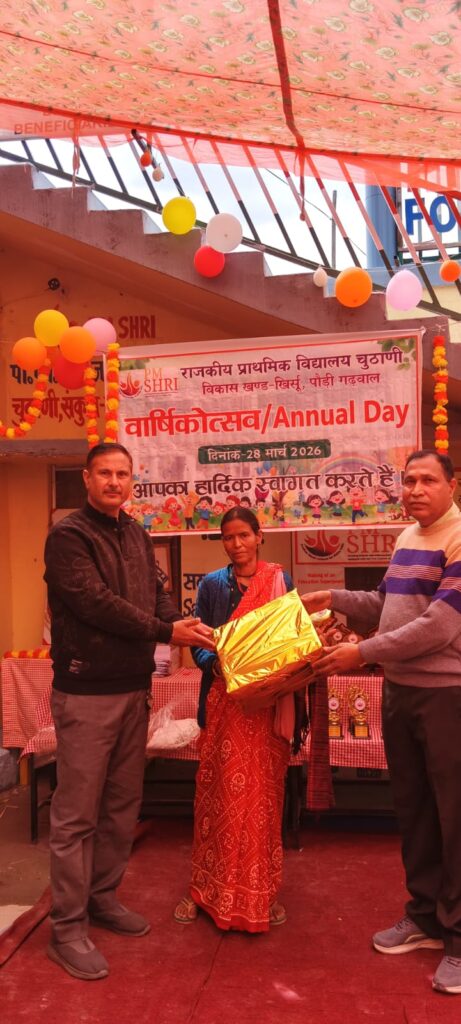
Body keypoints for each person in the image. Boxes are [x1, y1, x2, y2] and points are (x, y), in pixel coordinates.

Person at [44, 442, 214, 981]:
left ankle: (101, 899)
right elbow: (95, 603)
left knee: (121, 806)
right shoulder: (68, 537)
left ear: (132, 481)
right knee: (77, 816)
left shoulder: (138, 534)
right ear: (87, 479)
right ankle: (67, 927)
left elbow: (156, 595)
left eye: (123, 474)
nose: (114, 482)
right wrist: (166, 631)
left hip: (134, 690)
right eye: (105, 473)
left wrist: (180, 623)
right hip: (85, 691)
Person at [302, 450, 461, 995]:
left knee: (455, 816)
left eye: (428, 480)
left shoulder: (458, 538)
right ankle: (425, 917)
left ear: (451, 485)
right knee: (415, 811)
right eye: (409, 480)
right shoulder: (407, 537)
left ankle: (459, 939)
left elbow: (440, 626)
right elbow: (383, 603)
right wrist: (333, 598)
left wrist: (362, 652)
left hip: (447, 696)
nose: (416, 489)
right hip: (400, 692)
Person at [174, 507, 300, 932]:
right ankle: (203, 889)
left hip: (265, 706)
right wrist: (219, 667)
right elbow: (198, 639)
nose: (237, 544)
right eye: (229, 537)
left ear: (259, 536)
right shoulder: (212, 585)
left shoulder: (280, 580)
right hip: (225, 702)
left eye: (244, 535)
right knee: (218, 797)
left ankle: (262, 892)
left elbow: (291, 639)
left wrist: (268, 672)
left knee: (263, 800)